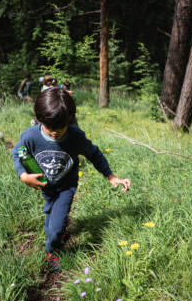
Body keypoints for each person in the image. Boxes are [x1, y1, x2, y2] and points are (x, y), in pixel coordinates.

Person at [12, 88, 131, 272]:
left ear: (69, 121)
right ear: (39, 119)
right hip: (45, 185)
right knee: (51, 213)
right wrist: (23, 176)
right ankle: (58, 232)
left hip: (66, 186)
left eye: (60, 129)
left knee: (54, 228)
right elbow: (17, 153)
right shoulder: (30, 136)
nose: (54, 134)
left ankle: (52, 250)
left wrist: (111, 176)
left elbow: (95, 154)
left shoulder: (75, 136)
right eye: (50, 128)